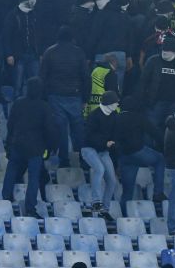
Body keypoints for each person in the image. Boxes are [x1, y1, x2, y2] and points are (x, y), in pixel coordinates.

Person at [2, 77, 56, 217]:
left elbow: (10, 125)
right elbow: (50, 130)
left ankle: (5, 200)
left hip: (17, 143)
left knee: (11, 172)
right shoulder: (44, 106)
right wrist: (50, 147)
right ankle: (30, 208)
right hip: (35, 147)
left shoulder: (18, 104)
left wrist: (9, 144)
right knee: (33, 178)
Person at [39, 26, 87, 168]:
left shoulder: (50, 52)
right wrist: (85, 98)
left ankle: (64, 160)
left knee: (61, 129)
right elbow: (85, 76)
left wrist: (44, 97)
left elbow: (42, 76)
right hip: (75, 95)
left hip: (55, 95)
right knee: (78, 128)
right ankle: (83, 159)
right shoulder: (79, 53)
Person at [81, 90, 119, 218]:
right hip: (89, 148)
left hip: (103, 151)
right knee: (99, 169)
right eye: (115, 102)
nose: (117, 105)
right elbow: (88, 136)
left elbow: (114, 133)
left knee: (112, 180)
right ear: (109, 103)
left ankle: (105, 209)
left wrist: (113, 142)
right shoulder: (94, 115)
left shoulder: (114, 115)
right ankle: (96, 202)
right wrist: (105, 142)